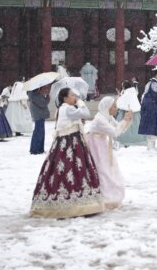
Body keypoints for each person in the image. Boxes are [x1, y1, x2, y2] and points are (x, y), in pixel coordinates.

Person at [30, 88, 104, 218]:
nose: (75, 97)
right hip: (70, 142)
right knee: (72, 169)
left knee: (60, 169)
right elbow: (86, 113)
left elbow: (71, 120)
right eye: (72, 95)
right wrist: (81, 102)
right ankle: (73, 204)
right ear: (65, 98)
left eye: (75, 95)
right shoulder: (68, 109)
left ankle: (62, 202)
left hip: (63, 142)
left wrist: (77, 120)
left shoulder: (62, 109)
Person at [86, 97, 132, 209]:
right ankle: (105, 197)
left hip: (102, 143)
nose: (116, 108)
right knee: (102, 170)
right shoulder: (100, 119)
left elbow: (119, 129)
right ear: (107, 107)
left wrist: (127, 120)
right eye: (114, 106)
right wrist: (125, 120)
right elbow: (115, 132)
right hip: (95, 145)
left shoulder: (108, 116)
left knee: (108, 168)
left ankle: (110, 195)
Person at [116, 81, 146, 146]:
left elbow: (120, 103)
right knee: (136, 126)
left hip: (125, 113)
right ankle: (138, 139)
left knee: (124, 126)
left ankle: (124, 139)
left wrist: (119, 97)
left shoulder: (126, 94)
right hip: (136, 112)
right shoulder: (133, 93)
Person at [28, 86, 51, 155]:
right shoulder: (34, 95)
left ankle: (39, 149)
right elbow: (43, 104)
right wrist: (48, 97)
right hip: (39, 116)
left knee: (40, 133)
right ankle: (35, 149)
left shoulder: (35, 95)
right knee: (38, 133)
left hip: (39, 116)